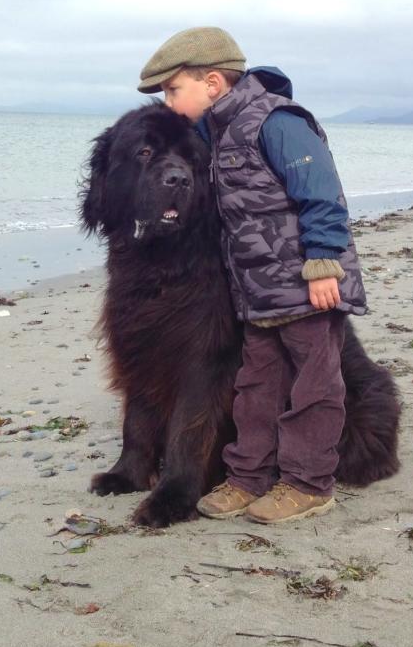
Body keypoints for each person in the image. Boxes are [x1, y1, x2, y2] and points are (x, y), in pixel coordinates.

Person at [137, 26, 367, 523]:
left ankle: (308, 484)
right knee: (255, 384)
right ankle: (248, 476)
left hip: (308, 283)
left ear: (213, 82)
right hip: (256, 289)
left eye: (174, 90)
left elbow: (322, 191)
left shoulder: (278, 122)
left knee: (314, 384)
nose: (169, 103)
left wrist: (324, 262)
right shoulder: (213, 132)